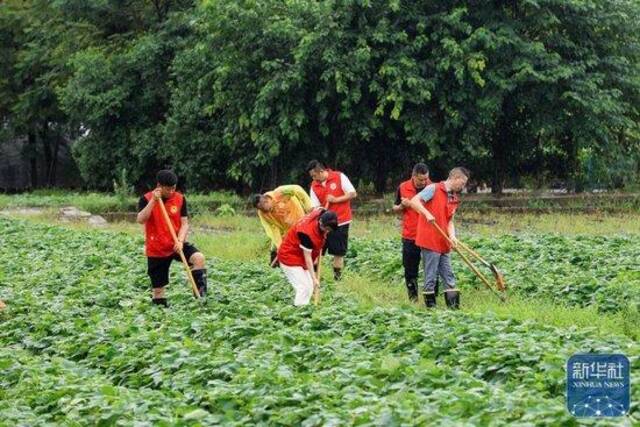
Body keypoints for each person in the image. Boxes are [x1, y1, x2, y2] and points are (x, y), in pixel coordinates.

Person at [136, 170, 208, 307]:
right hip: (157, 249)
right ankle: (160, 315)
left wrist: (180, 241)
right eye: (168, 189)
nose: (171, 191)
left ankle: (201, 299)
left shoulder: (180, 198)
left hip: (176, 243)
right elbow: (140, 219)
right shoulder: (146, 198)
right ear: (159, 186)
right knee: (158, 291)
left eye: (174, 188)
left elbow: (185, 223)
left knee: (199, 258)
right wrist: (153, 201)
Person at [410, 167, 469, 309]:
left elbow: (450, 221)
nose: (463, 187)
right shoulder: (434, 188)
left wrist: (453, 236)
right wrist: (426, 213)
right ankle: (431, 311)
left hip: (444, 241)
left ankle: (454, 309)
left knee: (449, 275)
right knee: (430, 276)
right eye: (462, 183)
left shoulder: (454, 197)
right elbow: (414, 201)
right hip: (430, 239)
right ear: (455, 178)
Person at [306, 160, 357, 280]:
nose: (313, 178)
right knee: (316, 251)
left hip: (341, 221)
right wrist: (315, 212)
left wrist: (335, 199)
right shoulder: (314, 185)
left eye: (314, 175)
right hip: (323, 224)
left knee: (338, 252)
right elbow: (315, 206)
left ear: (321, 171)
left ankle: (337, 279)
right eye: (312, 176)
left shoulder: (339, 177)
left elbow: (353, 194)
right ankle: (315, 279)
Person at [276, 209, 338, 306]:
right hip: (289, 257)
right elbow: (308, 257)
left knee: (309, 287)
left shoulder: (322, 213)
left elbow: (320, 209)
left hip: (299, 256)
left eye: (329, 230)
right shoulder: (306, 233)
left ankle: (304, 309)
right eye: (325, 229)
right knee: (303, 287)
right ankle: (299, 314)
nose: (326, 231)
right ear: (320, 222)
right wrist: (314, 278)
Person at [392, 163, 431, 302]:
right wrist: (402, 206)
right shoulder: (403, 187)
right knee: (410, 269)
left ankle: (431, 299)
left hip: (429, 234)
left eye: (426, 178)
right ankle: (413, 299)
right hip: (410, 234)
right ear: (413, 176)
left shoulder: (433, 188)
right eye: (421, 179)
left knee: (431, 269)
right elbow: (395, 207)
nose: (424, 182)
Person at [250, 185, 313, 266]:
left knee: (302, 245)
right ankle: (275, 266)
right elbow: (272, 229)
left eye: (263, 208)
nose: (264, 211)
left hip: (300, 222)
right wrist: (280, 245)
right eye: (260, 209)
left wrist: (309, 207)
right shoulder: (262, 213)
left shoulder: (281, 192)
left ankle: (307, 266)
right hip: (284, 229)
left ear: (266, 200)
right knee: (275, 246)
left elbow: (297, 189)